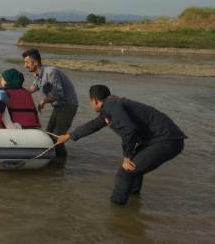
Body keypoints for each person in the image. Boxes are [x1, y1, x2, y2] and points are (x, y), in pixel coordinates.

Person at [55, 85, 186, 205]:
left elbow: (129, 130)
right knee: (134, 170)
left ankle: (116, 210)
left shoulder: (111, 106)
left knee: (126, 171)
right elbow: (93, 125)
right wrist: (69, 136)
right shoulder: (112, 106)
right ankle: (133, 203)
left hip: (166, 140)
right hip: (162, 139)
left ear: (94, 100)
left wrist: (127, 156)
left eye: (89, 101)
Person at [23, 48, 77, 156]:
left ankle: (61, 162)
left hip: (68, 106)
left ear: (36, 62)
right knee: (49, 133)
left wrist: (44, 100)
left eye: (27, 62)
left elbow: (59, 94)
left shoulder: (51, 72)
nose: (25, 66)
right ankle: (56, 162)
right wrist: (14, 90)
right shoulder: (38, 76)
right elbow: (30, 90)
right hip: (58, 107)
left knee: (57, 137)